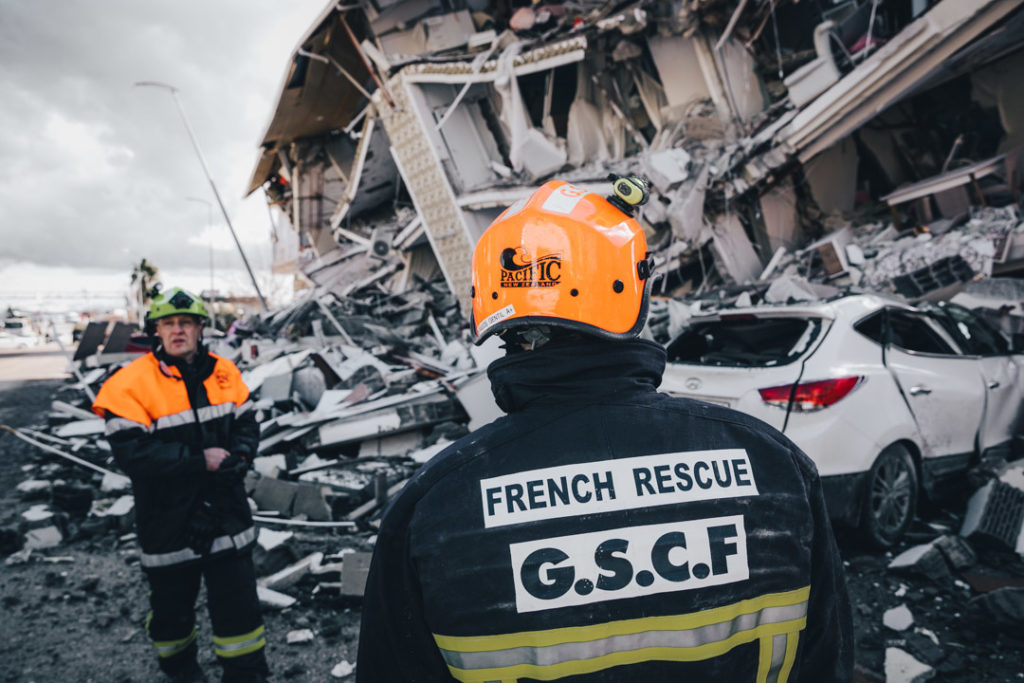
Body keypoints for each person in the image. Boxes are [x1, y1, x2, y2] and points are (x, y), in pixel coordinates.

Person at [356, 177, 853, 682]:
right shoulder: (775, 467)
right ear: (633, 290)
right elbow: (826, 663)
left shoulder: (432, 510)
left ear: (490, 306)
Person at [92, 287, 268, 683]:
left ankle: (247, 677)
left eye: (185, 323)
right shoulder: (129, 384)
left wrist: (239, 457)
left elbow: (247, 426)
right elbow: (132, 453)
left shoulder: (225, 372)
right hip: (168, 521)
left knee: (240, 615)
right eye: (168, 323)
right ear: (156, 330)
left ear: (200, 328)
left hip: (227, 518)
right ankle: (182, 673)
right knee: (172, 617)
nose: (177, 331)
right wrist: (197, 461)